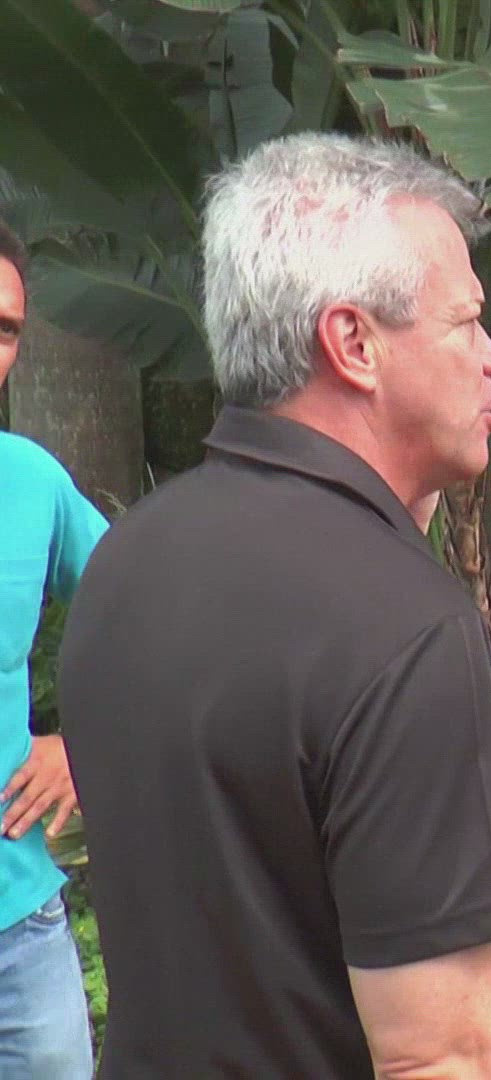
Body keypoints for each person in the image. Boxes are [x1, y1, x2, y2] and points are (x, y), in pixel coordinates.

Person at [58, 134, 491, 1078]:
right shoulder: (404, 632)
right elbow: (442, 1056)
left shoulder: (127, 560)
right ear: (354, 344)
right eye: (467, 322)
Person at [0, 219, 106, 1079]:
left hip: (19, 925)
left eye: (5, 331)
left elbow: (155, 614)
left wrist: (83, 743)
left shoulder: (32, 482)